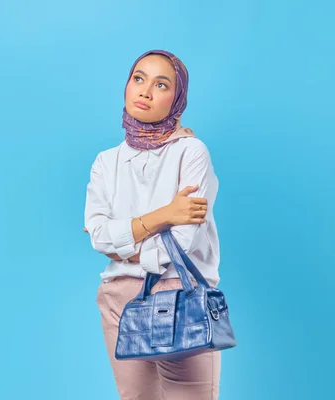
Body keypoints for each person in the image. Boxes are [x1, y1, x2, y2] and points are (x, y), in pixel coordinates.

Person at [83, 50, 222, 400]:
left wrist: (126, 249)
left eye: (161, 84)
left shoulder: (190, 152)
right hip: (118, 298)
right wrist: (163, 215)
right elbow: (98, 236)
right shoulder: (106, 162)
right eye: (138, 79)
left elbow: (185, 238)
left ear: (177, 99)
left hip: (179, 292)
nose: (145, 92)